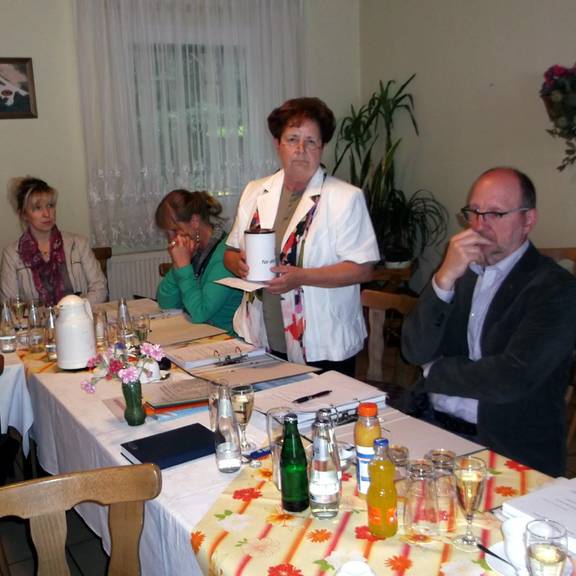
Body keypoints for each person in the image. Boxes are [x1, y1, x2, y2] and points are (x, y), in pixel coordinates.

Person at [401, 167, 576, 476]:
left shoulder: (556, 288)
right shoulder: (460, 271)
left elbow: (512, 378)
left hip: (502, 445)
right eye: (475, 212)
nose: (481, 225)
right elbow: (414, 350)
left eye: (495, 213)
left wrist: (434, 371)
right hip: (430, 423)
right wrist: (443, 278)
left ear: (528, 220)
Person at [224, 97, 380, 375]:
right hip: (261, 335)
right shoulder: (256, 191)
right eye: (292, 139)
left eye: (311, 142)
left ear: (322, 147)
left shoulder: (345, 198)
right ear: (278, 144)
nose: (301, 150)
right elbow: (231, 253)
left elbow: (363, 269)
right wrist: (239, 264)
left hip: (323, 342)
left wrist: (302, 277)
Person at [0, 177, 107, 306]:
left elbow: (100, 288)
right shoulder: (12, 254)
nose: (47, 214)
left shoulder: (79, 244)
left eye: (50, 206)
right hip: (37, 319)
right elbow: (9, 304)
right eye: (37, 208)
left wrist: (72, 308)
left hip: (78, 315)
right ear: (23, 214)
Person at [155, 189, 242, 334]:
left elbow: (200, 313)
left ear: (195, 221)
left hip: (227, 338)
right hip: (203, 333)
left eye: (175, 230)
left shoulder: (225, 254)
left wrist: (184, 267)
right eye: (168, 233)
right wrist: (178, 266)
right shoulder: (195, 249)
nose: (171, 240)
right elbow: (166, 303)